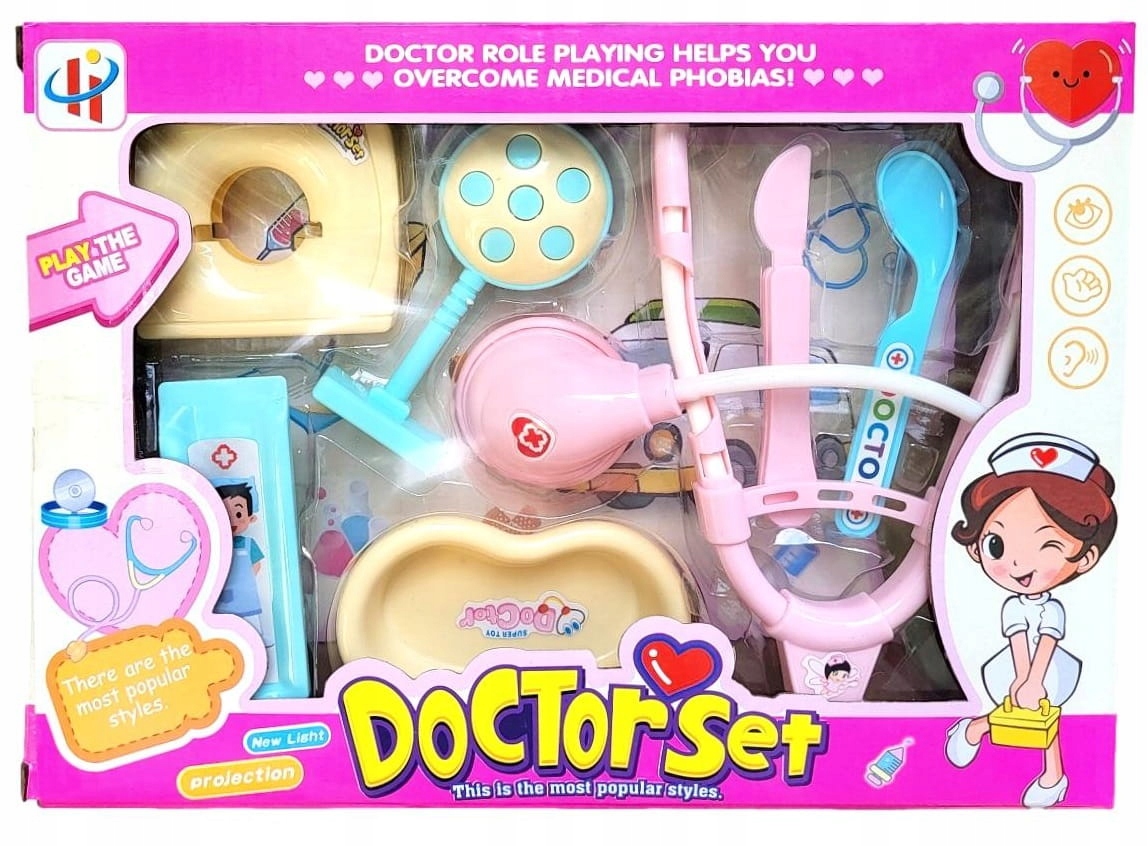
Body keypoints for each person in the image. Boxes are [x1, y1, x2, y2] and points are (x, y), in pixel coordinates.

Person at [945, 433, 1117, 807]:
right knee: (1022, 709)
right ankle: (979, 730)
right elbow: (1018, 640)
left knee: (1045, 712)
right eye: (997, 544)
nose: (1018, 563)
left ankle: (1052, 774)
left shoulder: (1053, 610)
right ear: (976, 545)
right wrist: (1023, 678)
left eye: (1048, 546)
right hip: (1017, 664)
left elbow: (1047, 644)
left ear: (1086, 558)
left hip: (1050, 667)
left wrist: (1034, 679)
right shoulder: (1012, 607)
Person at [214, 482, 272, 648]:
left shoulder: (248, 543)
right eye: (225, 513)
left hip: (246, 592)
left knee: (251, 615)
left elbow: (257, 564)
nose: (232, 520)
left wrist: (246, 580)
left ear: (251, 518)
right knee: (226, 617)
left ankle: (259, 638)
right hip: (224, 591)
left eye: (238, 514)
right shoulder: (216, 544)